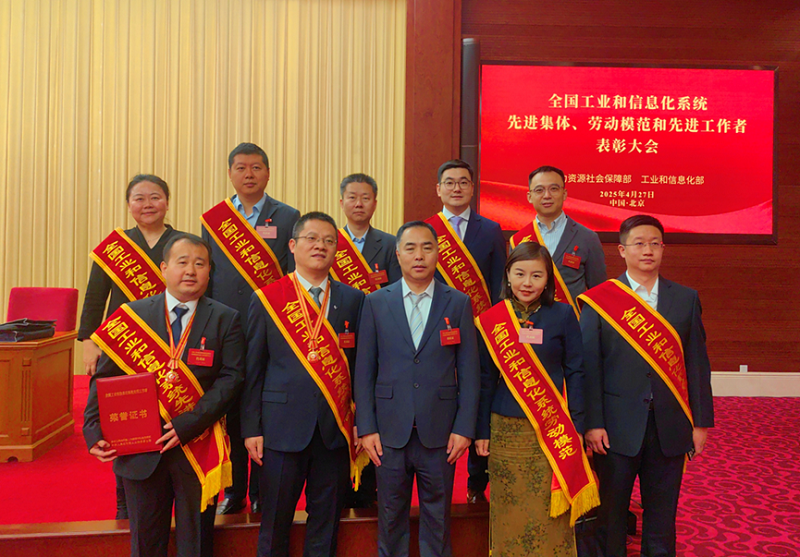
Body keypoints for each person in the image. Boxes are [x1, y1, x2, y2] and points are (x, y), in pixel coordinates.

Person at [83, 233, 245, 557]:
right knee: (145, 543)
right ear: (163, 268)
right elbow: (105, 377)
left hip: (197, 446)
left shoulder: (226, 318)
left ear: (209, 272)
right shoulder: (131, 316)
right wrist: (93, 429)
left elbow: (232, 378)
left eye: (200, 264)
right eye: (182, 262)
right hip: (141, 449)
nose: (191, 270)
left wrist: (190, 423)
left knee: (196, 544)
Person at [578, 215, 714, 557]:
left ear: (663, 249)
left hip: (670, 426)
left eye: (655, 243)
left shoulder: (685, 299)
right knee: (610, 517)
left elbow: (697, 365)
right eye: (639, 243)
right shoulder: (599, 301)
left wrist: (700, 423)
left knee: (662, 519)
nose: (648, 250)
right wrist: (592, 423)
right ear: (622, 250)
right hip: (614, 428)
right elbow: (589, 368)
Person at [241, 212, 366, 557]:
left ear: (336, 250)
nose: (320, 246)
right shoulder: (267, 298)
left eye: (328, 241)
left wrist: (362, 422)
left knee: (326, 525)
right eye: (312, 238)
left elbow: (360, 368)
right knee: (274, 523)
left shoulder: (354, 300)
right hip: (280, 430)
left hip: (334, 430)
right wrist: (251, 428)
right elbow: (253, 369)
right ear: (293, 245)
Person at [355, 221, 480, 557]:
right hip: (388, 431)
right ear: (398, 254)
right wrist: (366, 427)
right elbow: (364, 371)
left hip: (440, 432)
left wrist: (464, 428)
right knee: (390, 518)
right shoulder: (376, 302)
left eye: (427, 247)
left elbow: (470, 371)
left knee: (438, 521)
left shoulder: (458, 302)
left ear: (438, 253)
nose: (419, 255)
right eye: (410, 248)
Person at [475, 242, 598, 557]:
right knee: (509, 508)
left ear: (548, 280)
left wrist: (578, 425)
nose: (527, 283)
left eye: (536, 275)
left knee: (548, 509)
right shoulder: (493, 318)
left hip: (550, 428)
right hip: (505, 430)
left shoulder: (563, 315)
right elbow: (486, 380)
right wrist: (482, 430)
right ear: (508, 275)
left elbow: (576, 372)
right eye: (520, 274)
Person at [201, 142, 300, 515]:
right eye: (240, 167)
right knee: (229, 410)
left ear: (268, 173)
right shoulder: (215, 220)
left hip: (270, 326)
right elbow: (206, 276)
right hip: (224, 325)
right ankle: (233, 489)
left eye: (256, 167)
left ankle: (261, 489)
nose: (248, 174)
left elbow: (292, 276)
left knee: (263, 407)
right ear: (230, 173)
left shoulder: (287, 216)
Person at [77, 173, 183, 519]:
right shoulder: (115, 247)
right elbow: (95, 298)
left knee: (172, 419)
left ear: (167, 202)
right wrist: (88, 340)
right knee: (125, 423)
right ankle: (126, 498)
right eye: (139, 198)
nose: (147, 204)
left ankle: (177, 494)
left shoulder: (183, 243)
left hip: (174, 344)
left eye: (155, 197)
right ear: (128, 205)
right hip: (124, 346)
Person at [424, 159, 506, 504]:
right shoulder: (426, 230)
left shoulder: (492, 229)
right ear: (438, 189)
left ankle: (476, 480)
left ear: (472, 188)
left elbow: (500, 282)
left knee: (479, 393)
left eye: (463, 182)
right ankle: (432, 471)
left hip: (479, 330)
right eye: (449, 182)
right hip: (434, 330)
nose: (456, 188)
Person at [334, 172, 401, 508]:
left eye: (365, 198)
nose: (358, 203)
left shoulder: (389, 244)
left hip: (377, 338)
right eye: (352, 197)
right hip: (333, 339)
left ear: (375, 203)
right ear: (341, 202)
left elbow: (396, 293)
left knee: (370, 405)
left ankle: (368, 485)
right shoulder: (328, 242)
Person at [510, 166, 606, 310]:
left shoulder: (587, 238)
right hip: (530, 321)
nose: (547, 195)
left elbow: (599, 293)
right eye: (539, 190)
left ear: (564, 193)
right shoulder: (518, 240)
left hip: (573, 321)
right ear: (529, 197)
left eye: (554, 189)